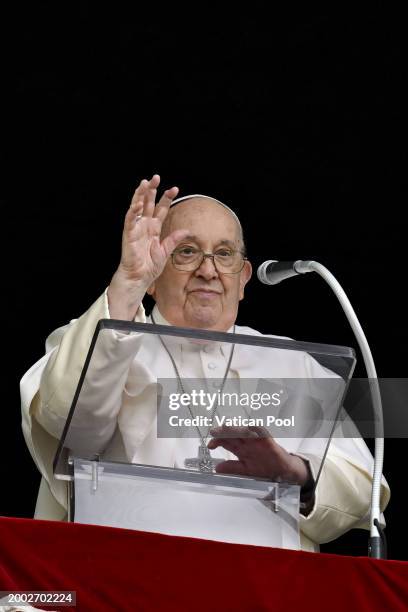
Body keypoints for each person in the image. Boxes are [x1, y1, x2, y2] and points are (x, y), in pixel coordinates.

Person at [20, 174, 390, 552]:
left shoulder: (294, 363)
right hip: (125, 584)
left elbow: (366, 486)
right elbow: (69, 423)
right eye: (187, 251)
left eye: (224, 254)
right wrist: (128, 282)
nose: (208, 271)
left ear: (244, 278)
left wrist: (296, 472)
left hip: (265, 593)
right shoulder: (102, 339)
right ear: (154, 271)